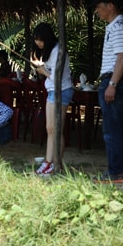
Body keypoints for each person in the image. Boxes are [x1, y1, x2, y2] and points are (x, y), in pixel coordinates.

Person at [91, 0, 123, 183]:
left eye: (99, 9)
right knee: (117, 127)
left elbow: (121, 58)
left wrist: (111, 84)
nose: (98, 13)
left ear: (110, 5)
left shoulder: (117, 27)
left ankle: (116, 172)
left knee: (111, 129)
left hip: (115, 82)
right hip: (122, 83)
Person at [30, 23, 74, 176]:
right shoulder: (49, 51)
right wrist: (40, 67)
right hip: (52, 91)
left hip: (61, 91)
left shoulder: (57, 51)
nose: (38, 43)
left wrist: (43, 71)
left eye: (40, 40)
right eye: (36, 40)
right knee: (50, 129)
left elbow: (57, 77)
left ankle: (55, 163)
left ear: (47, 38)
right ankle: (50, 162)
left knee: (56, 129)